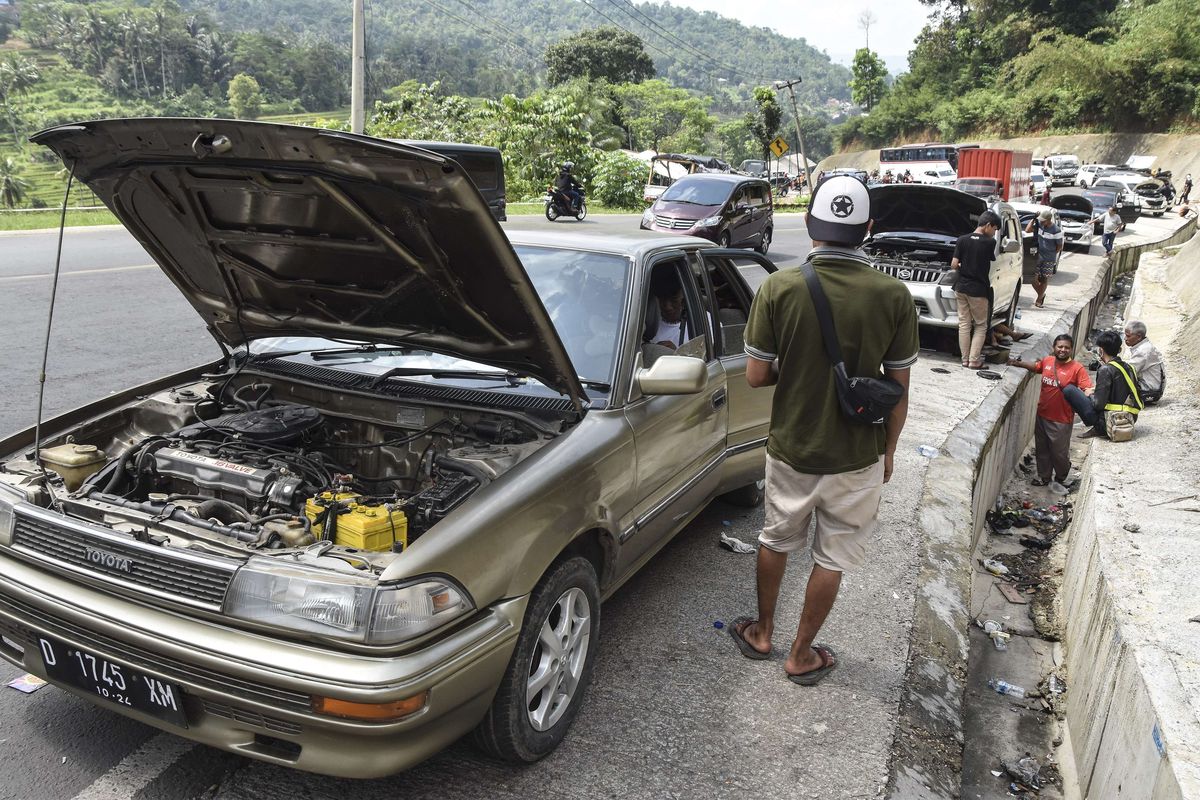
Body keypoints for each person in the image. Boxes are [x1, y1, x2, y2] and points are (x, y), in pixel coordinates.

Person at [731, 174, 919, 686]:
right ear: (868, 229)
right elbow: (898, 389)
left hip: (793, 447)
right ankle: (801, 654)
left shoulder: (778, 287)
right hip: (858, 454)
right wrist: (890, 451)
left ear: (810, 225)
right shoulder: (894, 295)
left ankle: (762, 632)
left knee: (776, 540)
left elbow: (755, 375)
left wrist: (797, 365)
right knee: (831, 556)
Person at [1007, 334, 1092, 487]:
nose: (1063, 350)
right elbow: (1036, 367)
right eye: (1060, 347)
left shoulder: (1077, 368)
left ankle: (1062, 476)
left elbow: (1087, 387)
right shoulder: (1048, 361)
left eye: (1066, 347)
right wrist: (1018, 364)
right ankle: (1044, 477)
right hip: (1042, 415)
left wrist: (1089, 397)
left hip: (1062, 419)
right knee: (1042, 449)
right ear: (1054, 348)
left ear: (1071, 350)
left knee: (1059, 453)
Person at [1060, 331, 1143, 439]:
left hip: (1112, 419)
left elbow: (1098, 404)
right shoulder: (1129, 367)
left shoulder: (1105, 369)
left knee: (1069, 390)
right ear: (1119, 350)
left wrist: (1089, 394)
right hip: (1129, 417)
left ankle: (1098, 428)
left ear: (1101, 350)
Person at [949, 210, 1002, 369]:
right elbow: (990, 259)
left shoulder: (962, 240)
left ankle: (964, 360)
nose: (994, 233)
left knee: (964, 324)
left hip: (961, 287)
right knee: (980, 325)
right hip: (978, 289)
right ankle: (974, 360)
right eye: (995, 229)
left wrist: (962, 267)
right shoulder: (989, 243)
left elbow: (953, 265)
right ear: (988, 225)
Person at [1025, 209, 1063, 308]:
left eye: (1043, 221)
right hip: (1037, 256)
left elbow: (1059, 246)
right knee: (1033, 278)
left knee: (1044, 279)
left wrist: (1050, 253)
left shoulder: (1056, 230)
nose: (1041, 222)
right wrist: (1033, 219)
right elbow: (1027, 230)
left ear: (1049, 220)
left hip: (1049, 258)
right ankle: (1041, 295)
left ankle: (1039, 299)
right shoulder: (1039, 226)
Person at [1122, 320, 1165, 404]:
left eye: (1128, 336)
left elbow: (1127, 370)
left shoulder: (1143, 351)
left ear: (1138, 337)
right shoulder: (1144, 347)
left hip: (1149, 391)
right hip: (1153, 388)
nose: (1125, 339)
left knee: (1116, 377)